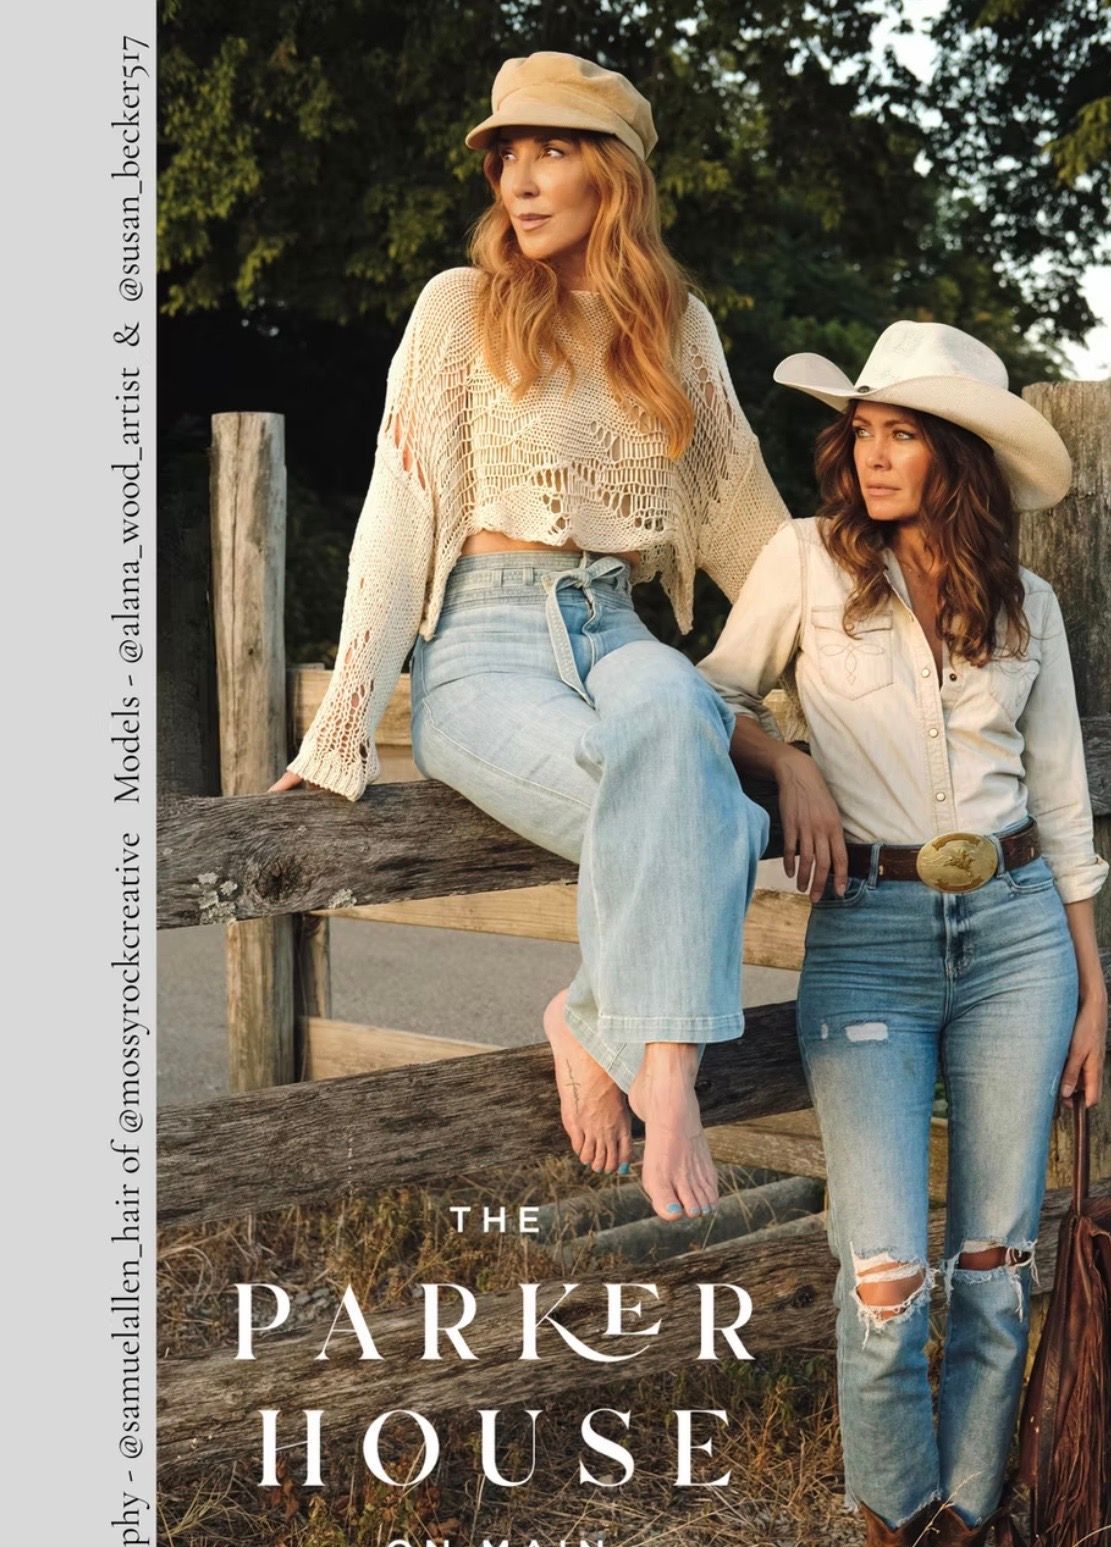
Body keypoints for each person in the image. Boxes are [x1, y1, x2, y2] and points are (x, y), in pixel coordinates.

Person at [268, 52, 788, 1223]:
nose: (520, 177)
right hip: (485, 646)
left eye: (551, 150)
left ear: (614, 174)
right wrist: (343, 724)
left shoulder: (678, 328)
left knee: (671, 708)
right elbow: (396, 520)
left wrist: (825, 711)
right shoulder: (460, 307)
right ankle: (663, 1057)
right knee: (714, 806)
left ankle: (608, 1026)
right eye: (507, 154)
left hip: (619, 627)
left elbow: (750, 527)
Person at [697, 321, 1108, 1547]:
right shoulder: (806, 566)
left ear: (962, 454)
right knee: (885, 1284)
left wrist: (1091, 980)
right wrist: (791, 760)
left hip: (1013, 943)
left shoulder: (1028, 607)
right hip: (866, 939)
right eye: (861, 429)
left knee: (995, 1272)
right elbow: (709, 700)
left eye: (903, 430)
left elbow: (1059, 806)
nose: (872, 453)